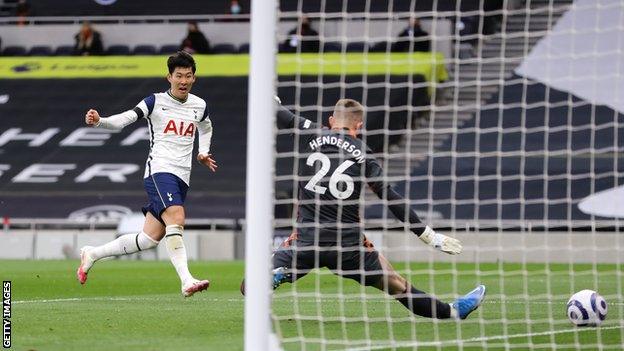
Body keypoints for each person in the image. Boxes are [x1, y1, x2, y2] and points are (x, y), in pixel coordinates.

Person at [242, 98, 485, 320]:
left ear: (330, 120)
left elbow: (283, 115)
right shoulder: (364, 155)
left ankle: (271, 276)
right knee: (398, 286)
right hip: (349, 246)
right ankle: (452, 312)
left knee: (249, 285)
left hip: (307, 240)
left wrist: (270, 97)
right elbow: (390, 197)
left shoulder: (313, 133)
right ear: (359, 125)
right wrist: (428, 235)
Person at [77, 51, 218, 297]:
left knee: (149, 239)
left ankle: (93, 253)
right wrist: (100, 121)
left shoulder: (200, 105)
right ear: (169, 77)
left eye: (188, 76)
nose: (183, 81)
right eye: (179, 76)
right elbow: (125, 120)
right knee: (177, 216)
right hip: (159, 170)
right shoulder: (154, 101)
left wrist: (202, 152)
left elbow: (206, 127)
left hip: (182, 176)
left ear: (194, 78)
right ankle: (186, 280)